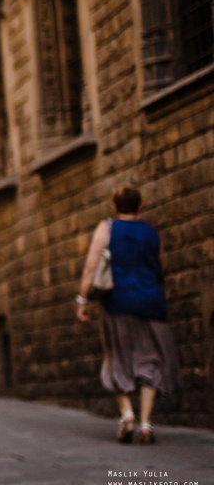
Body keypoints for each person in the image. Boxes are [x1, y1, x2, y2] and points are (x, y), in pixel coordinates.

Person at [76, 186, 182, 444]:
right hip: (151, 303)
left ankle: (127, 415)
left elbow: (91, 266)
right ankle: (147, 424)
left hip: (118, 302)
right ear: (139, 206)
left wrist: (82, 299)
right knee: (151, 361)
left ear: (114, 207)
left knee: (117, 359)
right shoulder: (150, 232)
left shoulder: (108, 228)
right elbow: (161, 265)